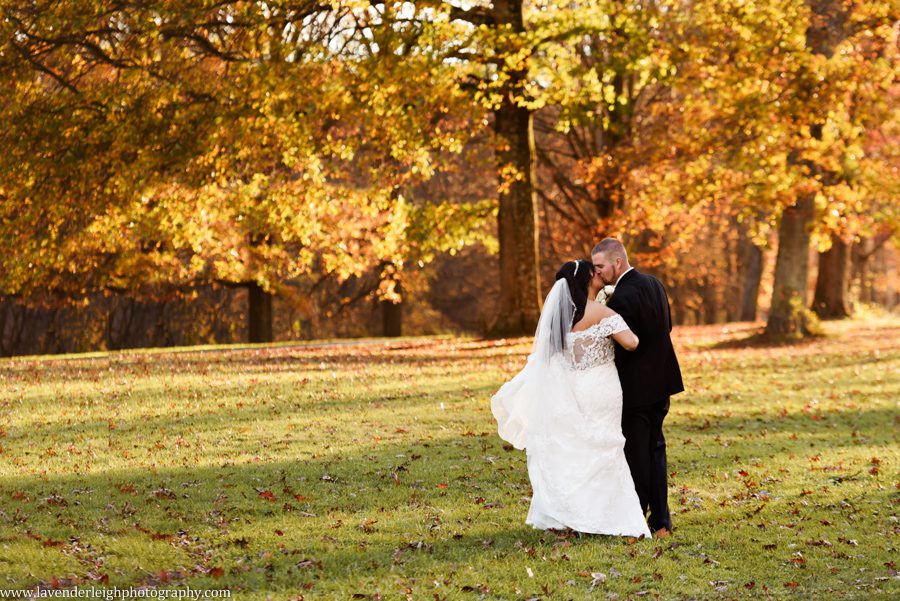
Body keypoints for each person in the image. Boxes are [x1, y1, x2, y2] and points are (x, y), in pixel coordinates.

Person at [491, 260, 651, 537]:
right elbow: (631, 342)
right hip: (601, 387)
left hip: (570, 387)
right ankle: (608, 516)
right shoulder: (601, 312)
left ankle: (571, 513)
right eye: (595, 272)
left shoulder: (562, 318)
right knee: (606, 445)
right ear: (587, 280)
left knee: (579, 446)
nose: (599, 275)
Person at [592, 238, 684, 535]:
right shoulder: (654, 284)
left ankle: (637, 519)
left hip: (637, 388)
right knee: (656, 449)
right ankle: (661, 521)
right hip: (663, 381)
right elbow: (666, 326)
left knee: (638, 455)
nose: (600, 273)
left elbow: (625, 345)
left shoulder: (621, 299)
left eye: (601, 266)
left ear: (617, 262)